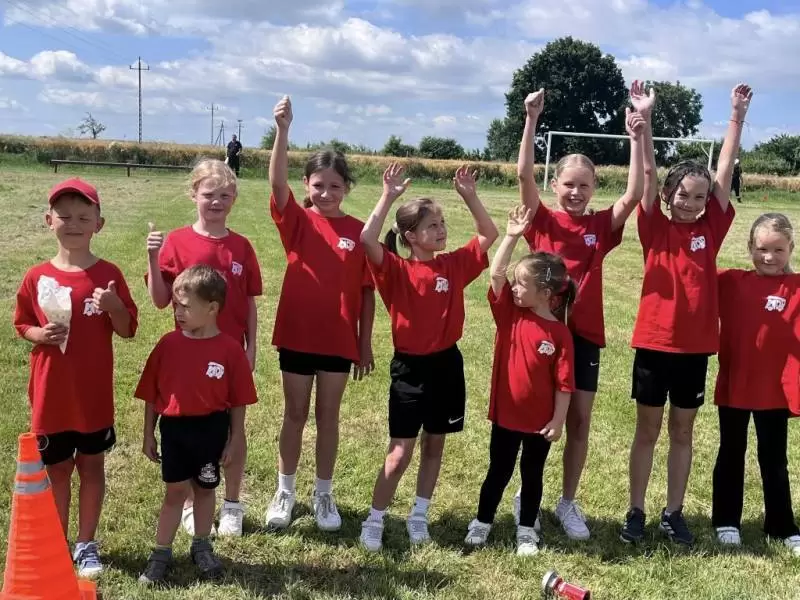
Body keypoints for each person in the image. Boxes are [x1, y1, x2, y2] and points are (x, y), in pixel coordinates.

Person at [621, 83, 753, 547]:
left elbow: (725, 167)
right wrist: (644, 124)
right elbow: (649, 173)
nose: (691, 204)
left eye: (699, 198)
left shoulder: (710, 229)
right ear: (667, 195)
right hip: (654, 344)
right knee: (647, 430)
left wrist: (736, 115)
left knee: (682, 430)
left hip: (695, 350)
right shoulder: (653, 226)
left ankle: (673, 512)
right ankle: (636, 511)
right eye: (683, 195)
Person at [513, 83, 646, 540]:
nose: (575, 192)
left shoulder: (599, 226)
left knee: (579, 421)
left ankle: (567, 501)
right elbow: (523, 176)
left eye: (584, 185)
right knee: (537, 419)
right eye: (568, 184)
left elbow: (634, 194)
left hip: (584, 337)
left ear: (593, 189)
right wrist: (531, 119)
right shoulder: (542, 219)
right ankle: (527, 496)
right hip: (540, 335)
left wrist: (636, 137)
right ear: (555, 186)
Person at [358, 162, 499, 552]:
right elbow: (367, 238)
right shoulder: (395, 270)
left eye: (442, 223)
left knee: (435, 444)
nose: (441, 230)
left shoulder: (452, 264)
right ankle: (374, 519)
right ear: (410, 236)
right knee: (400, 452)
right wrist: (387, 196)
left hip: (447, 366)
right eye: (432, 225)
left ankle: (418, 516)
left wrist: (470, 196)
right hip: (410, 370)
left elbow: (489, 234)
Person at [13, 177, 138, 577]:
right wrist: (39, 334)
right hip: (51, 395)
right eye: (64, 216)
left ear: (99, 224)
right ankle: (58, 542)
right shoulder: (36, 277)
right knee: (57, 471)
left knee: (91, 466)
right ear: (48, 220)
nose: (74, 224)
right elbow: (22, 323)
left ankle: (86, 543)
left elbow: (127, 330)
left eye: (84, 217)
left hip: (92, 397)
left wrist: (114, 305)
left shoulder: (108, 275)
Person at [266, 95, 376, 533]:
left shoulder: (359, 233)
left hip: (337, 341)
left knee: (328, 417)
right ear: (306, 185)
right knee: (294, 415)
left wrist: (364, 343)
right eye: (318, 185)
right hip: (297, 334)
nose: (325, 193)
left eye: (334, 186)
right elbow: (277, 185)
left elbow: (367, 292)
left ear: (346, 187)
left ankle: (323, 494)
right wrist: (283, 130)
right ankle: (285, 490)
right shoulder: (297, 221)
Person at [146, 158, 262, 537]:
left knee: (232, 429)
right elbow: (160, 299)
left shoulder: (241, 246)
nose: (216, 201)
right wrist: (152, 257)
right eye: (209, 194)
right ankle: (192, 505)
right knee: (194, 428)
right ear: (193, 195)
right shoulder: (178, 242)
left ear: (235, 199)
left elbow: (249, 302)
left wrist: (251, 347)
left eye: (225, 195)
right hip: (189, 356)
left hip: (230, 355)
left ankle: (232, 504)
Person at [464, 205, 575, 556]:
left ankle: (526, 529)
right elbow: (496, 275)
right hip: (506, 417)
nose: (513, 287)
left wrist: (558, 421)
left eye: (522, 284)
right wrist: (511, 237)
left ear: (546, 294)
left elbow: (564, 384)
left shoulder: (560, 334)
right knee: (498, 471)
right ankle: (482, 521)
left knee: (532, 475)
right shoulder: (509, 315)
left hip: (540, 423)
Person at [136, 265, 258, 585]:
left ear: (212, 308)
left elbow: (239, 400)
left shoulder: (230, 350)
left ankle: (201, 546)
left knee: (205, 489)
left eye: (186, 307)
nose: (178, 312)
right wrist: (148, 434)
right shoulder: (167, 345)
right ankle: (161, 552)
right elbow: (150, 393)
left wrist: (235, 438)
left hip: (211, 430)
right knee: (175, 492)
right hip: (175, 430)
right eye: (176, 305)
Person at [712, 213, 800, 555]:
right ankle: (726, 521)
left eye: (778, 250)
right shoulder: (732, 281)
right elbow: (695, 278)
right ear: (750, 247)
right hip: (735, 384)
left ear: (791, 249)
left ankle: (781, 524)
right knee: (731, 453)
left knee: (774, 459)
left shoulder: (796, 287)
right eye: (762, 248)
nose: (769, 257)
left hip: (775, 391)